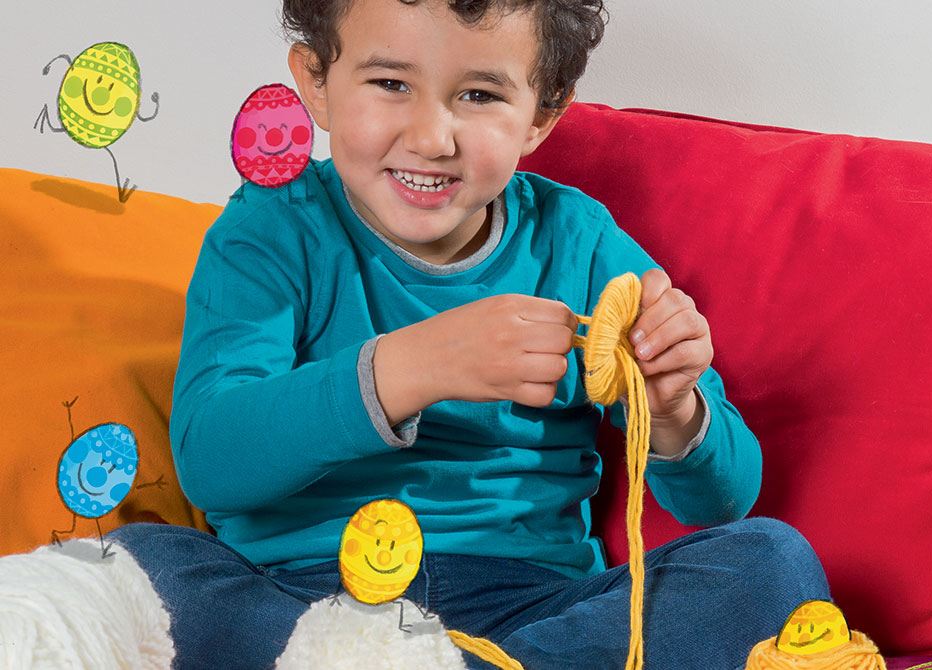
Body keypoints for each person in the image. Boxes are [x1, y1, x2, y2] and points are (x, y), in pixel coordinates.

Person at [110, 0, 831, 667]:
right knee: (132, 565)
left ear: (541, 116)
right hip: (299, 601)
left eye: (479, 95)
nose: (431, 137)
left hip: (526, 607)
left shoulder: (576, 244)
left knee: (769, 564)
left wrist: (674, 410)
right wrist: (414, 366)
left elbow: (725, 500)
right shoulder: (270, 229)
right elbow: (212, 459)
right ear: (317, 83)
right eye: (390, 82)